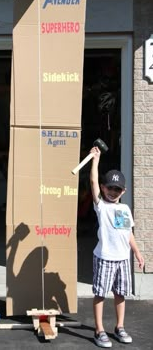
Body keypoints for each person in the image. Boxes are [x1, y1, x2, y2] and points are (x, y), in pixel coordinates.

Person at [89, 146, 144, 348]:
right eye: (109, 188)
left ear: (124, 191)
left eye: (117, 189)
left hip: (123, 258)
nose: (113, 192)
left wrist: (137, 252)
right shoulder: (101, 206)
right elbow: (93, 181)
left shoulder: (124, 209)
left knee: (120, 294)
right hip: (104, 257)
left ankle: (119, 327)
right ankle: (99, 330)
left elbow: (128, 233)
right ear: (104, 188)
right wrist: (96, 159)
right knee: (100, 294)